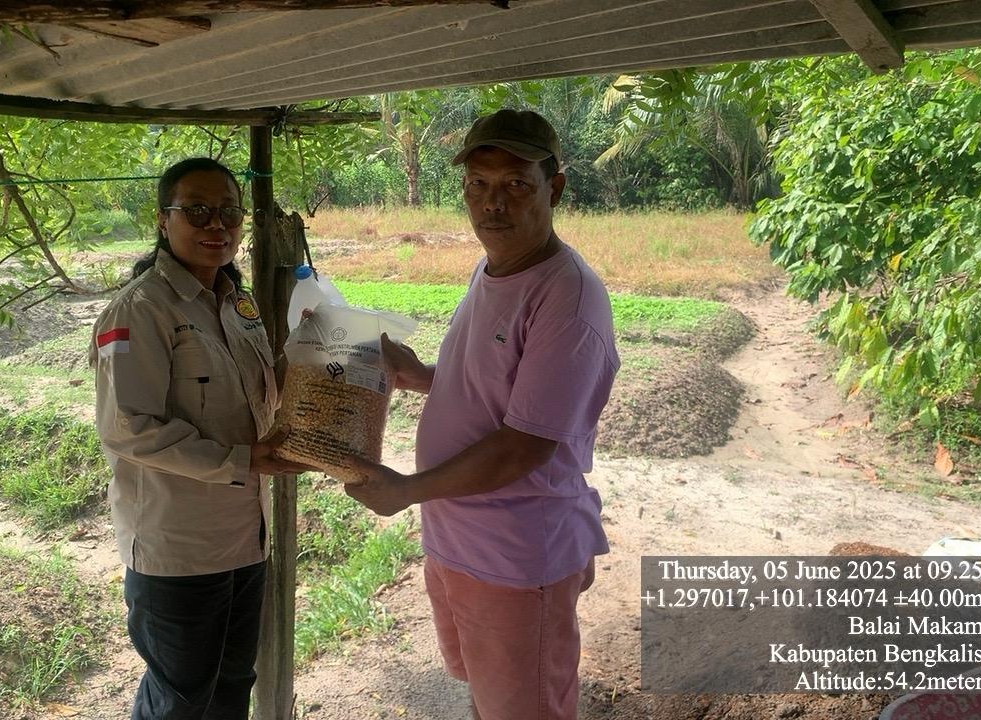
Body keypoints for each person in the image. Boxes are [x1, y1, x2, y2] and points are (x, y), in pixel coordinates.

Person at [344, 110, 620, 720]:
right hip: (459, 543)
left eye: (517, 183)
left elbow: (525, 443)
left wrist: (407, 490)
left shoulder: (566, 299)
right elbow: (502, 395)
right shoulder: (494, 268)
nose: (493, 204)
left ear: (557, 187)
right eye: (478, 184)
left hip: (516, 558)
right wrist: (420, 377)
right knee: (488, 697)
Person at [90, 157, 308, 720]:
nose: (218, 225)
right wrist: (243, 457)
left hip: (245, 539)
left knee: (233, 687)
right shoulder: (140, 309)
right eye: (198, 211)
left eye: (229, 211)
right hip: (179, 550)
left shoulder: (238, 302)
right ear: (164, 220)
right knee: (181, 702)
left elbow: (265, 391)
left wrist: (335, 371)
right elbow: (126, 429)